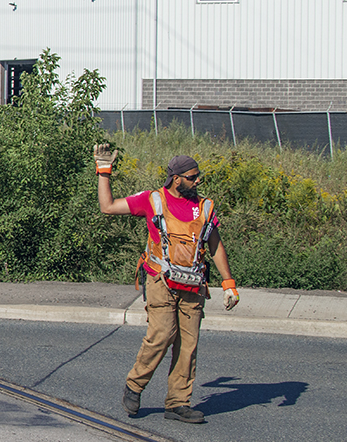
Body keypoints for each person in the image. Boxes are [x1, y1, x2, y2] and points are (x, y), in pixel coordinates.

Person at [94, 144, 240, 425]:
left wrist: (229, 283)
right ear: (176, 179)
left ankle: (177, 403)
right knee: (162, 334)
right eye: (193, 177)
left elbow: (215, 245)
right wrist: (104, 172)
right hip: (160, 280)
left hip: (194, 285)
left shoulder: (204, 208)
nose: (198, 181)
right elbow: (108, 207)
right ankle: (135, 385)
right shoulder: (152, 200)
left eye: (198, 177)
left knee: (188, 344)